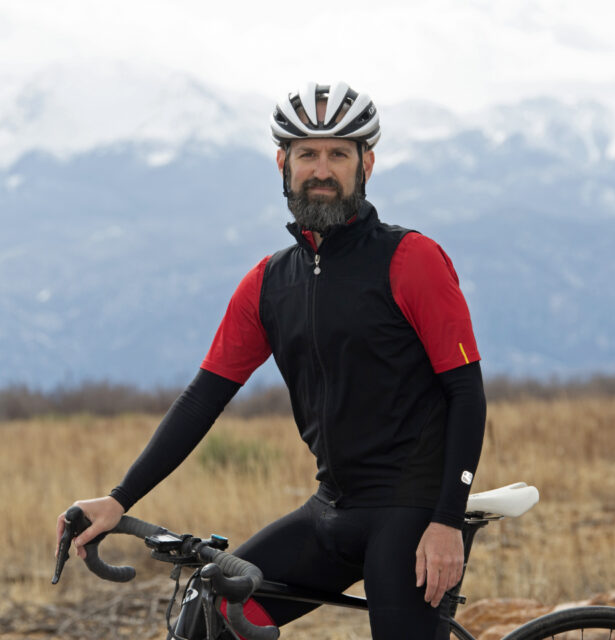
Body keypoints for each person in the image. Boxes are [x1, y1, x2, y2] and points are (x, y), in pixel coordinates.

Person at [56, 82, 486, 640]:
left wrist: (447, 520)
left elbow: (466, 393)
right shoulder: (267, 284)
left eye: (339, 153)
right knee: (210, 614)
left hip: (412, 512)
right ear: (283, 163)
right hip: (333, 508)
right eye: (307, 153)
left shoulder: (412, 260)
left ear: (367, 164)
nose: (322, 169)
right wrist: (118, 499)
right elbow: (203, 400)